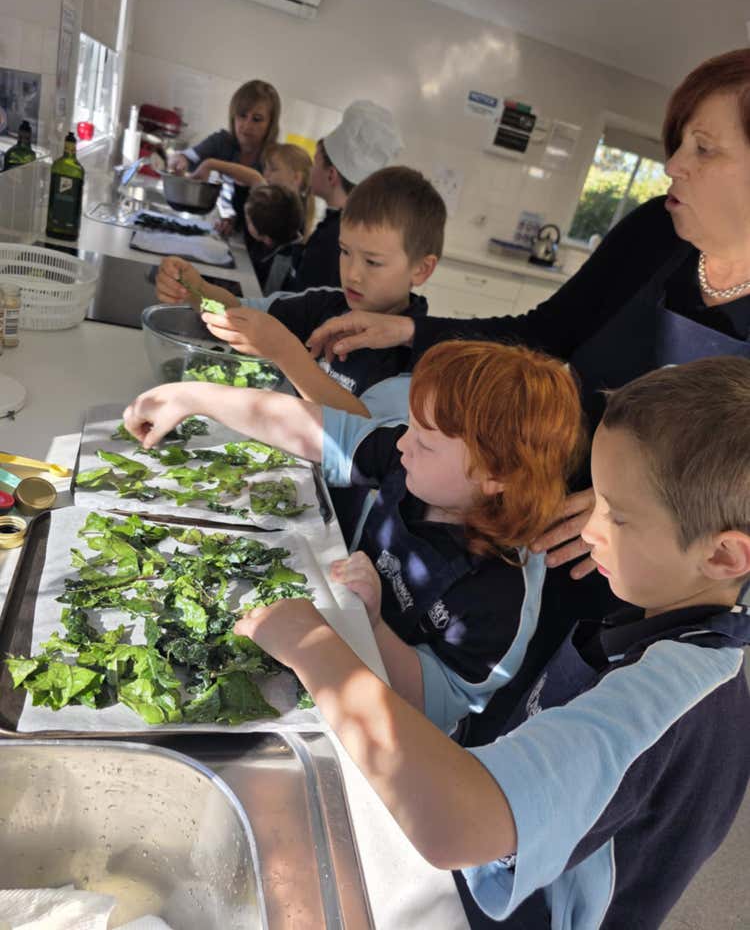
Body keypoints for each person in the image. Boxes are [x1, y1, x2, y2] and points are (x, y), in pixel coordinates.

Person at [305, 46, 750, 735]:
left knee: (527, 735)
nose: (674, 165)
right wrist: (408, 329)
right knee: (444, 692)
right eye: (678, 142)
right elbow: (545, 332)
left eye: (704, 147)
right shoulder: (656, 233)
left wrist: (621, 503)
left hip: (638, 580)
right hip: (523, 519)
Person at [229, 356, 750, 930]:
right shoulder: (661, 624)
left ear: (724, 556)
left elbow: (457, 826)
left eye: (617, 515)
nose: (587, 526)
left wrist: (314, 648)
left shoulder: (668, 693)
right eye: (594, 498)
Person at [122, 339, 584, 701]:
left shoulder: (501, 594)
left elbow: (435, 703)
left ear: (495, 474)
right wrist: (194, 397)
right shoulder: (405, 456)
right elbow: (312, 429)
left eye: (426, 443)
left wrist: (374, 623)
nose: (403, 446)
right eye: (411, 428)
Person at [155, 166, 445, 412]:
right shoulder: (323, 305)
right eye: (345, 252)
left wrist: (287, 353)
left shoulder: (420, 359)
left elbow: (365, 431)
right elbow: (237, 313)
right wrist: (195, 289)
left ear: (421, 269)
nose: (353, 274)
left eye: (372, 261)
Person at [288, 100, 403, 291]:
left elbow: (305, 300)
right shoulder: (348, 226)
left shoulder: (338, 235)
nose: (310, 169)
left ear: (331, 175)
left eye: (315, 162)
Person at [189, 141, 314, 291]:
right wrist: (235, 221)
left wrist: (210, 164)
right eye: (265, 168)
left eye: (273, 169)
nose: (266, 175)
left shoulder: (282, 207)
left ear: (296, 178)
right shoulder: (278, 204)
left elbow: (254, 178)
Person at [168, 79, 280, 239]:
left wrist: (211, 164)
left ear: (271, 124)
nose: (246, 125)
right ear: (233, 116)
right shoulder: (222, 141)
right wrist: (179, 161)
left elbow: (268, 213)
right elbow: (188, 156)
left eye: (257, 119)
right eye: (242, 115)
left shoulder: (275, 159)